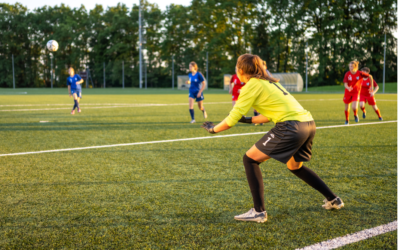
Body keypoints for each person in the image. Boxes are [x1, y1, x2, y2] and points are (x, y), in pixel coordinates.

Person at [201, 54, 344, 223]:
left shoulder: (251, 85)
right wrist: (248, 120)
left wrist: (213, 129)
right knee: (295, 166)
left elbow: (231, 120)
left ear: (241, 70)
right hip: (308, 124)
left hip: (291, 127)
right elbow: (269, 115)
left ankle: (258, 212)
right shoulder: (270, 82)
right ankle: (333, 199)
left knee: (250, 159)